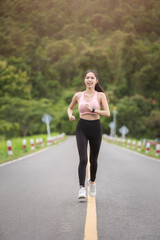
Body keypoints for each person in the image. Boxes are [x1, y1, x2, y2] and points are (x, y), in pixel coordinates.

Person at [67, 70, 110, 200]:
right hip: (82, 128)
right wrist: (70, 115)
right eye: (87, 78)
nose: (89, 80)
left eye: (92, 78)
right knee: (83, 159)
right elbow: (70, 108)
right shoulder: (78, 95)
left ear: (96, 80)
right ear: (84, 80)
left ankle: (92, 182)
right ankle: (81, 188)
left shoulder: (101, 95)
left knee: (93, 160)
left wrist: (93, 109)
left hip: (96, 128)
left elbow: (107, 113)